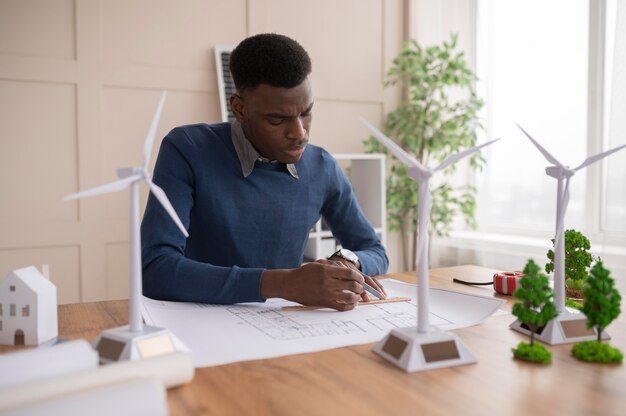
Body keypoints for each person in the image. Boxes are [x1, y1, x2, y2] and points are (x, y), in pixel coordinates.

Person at [141, 33, 388, 311]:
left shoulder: (322, 167)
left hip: (284, 327)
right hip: (199, 325)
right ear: (240, 108)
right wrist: (282, 284)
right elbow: (154, 269)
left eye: (306, 112)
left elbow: (375, 251)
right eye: (277, 119)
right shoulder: (187, 150)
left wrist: (347, 261)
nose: (299, 133)